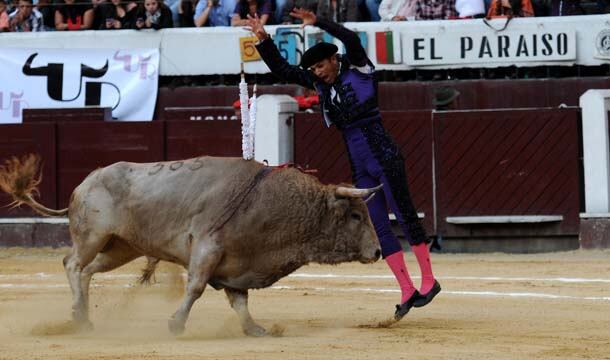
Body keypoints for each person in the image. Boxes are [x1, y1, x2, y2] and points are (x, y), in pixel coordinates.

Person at [247, 9, 441, 320]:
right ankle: (406, 289)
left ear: (334, 59)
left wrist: (319, 22)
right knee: (379, 225)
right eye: (313, 68)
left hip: (383, 152)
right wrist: (263, 39)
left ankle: (429, 280)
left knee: (404, 215)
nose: (317, 71)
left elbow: (350, 37)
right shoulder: (320, 83)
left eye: (321, 65)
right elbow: (284, 70)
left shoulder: (359, 67)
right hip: (359, 159)